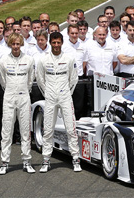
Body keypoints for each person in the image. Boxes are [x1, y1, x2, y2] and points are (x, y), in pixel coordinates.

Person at [35, 32, 80, 173]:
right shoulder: (43, 60)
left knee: (71, 129)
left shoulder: (69, 58)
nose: (56, 45)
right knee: (48, 129)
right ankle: (46, 160)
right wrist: (48, 93)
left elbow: (74, 79)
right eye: (53, 43)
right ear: (50, 43)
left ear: (62, 42)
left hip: (65, 95)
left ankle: (75, 159)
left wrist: (67, 93)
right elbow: (40, 79)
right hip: (50, 97)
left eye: (58, 42)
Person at [0, 33, 36, 175]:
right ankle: (5, 162)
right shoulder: (3, 60)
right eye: (13, 44)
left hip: (24, 97)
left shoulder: (29, 60)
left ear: (21, 44)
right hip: (9, 97)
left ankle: (27, 161)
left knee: (25, 131)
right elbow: (2, 80)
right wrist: (11, 90)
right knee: (6, 131)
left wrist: (24, 90)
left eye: (18, 44)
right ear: (10, 44)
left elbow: (31, 79)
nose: (15, 47)